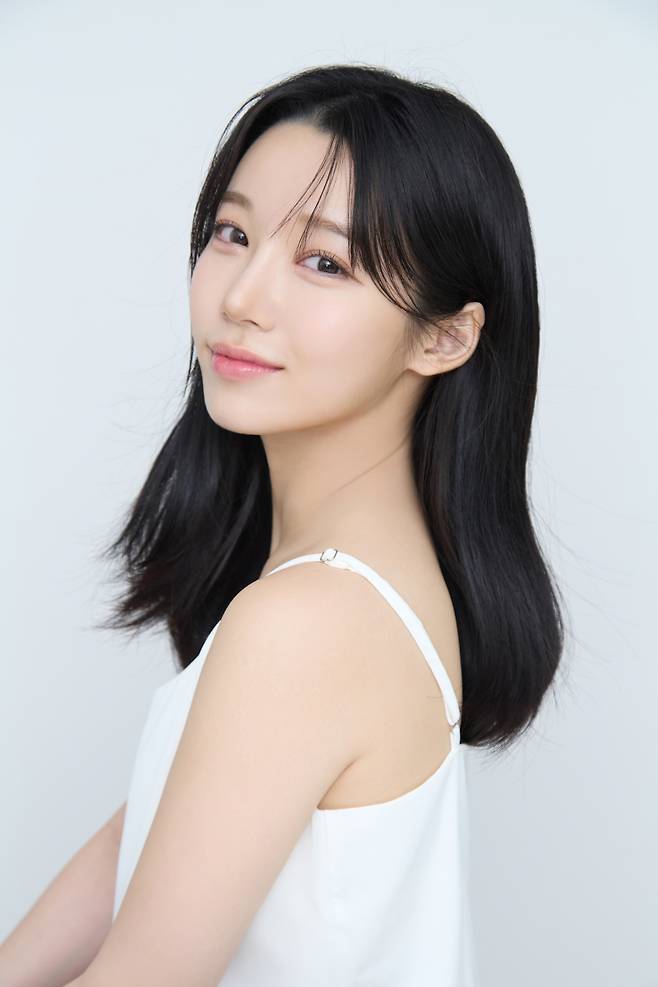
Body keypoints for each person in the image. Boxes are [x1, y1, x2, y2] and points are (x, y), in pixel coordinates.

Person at [2, 63, 565, 986]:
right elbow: (153, 829)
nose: (241, 297)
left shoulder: (308, 622)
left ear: (445, 336)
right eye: (232, 234)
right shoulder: (360, 585)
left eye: (324, 262)